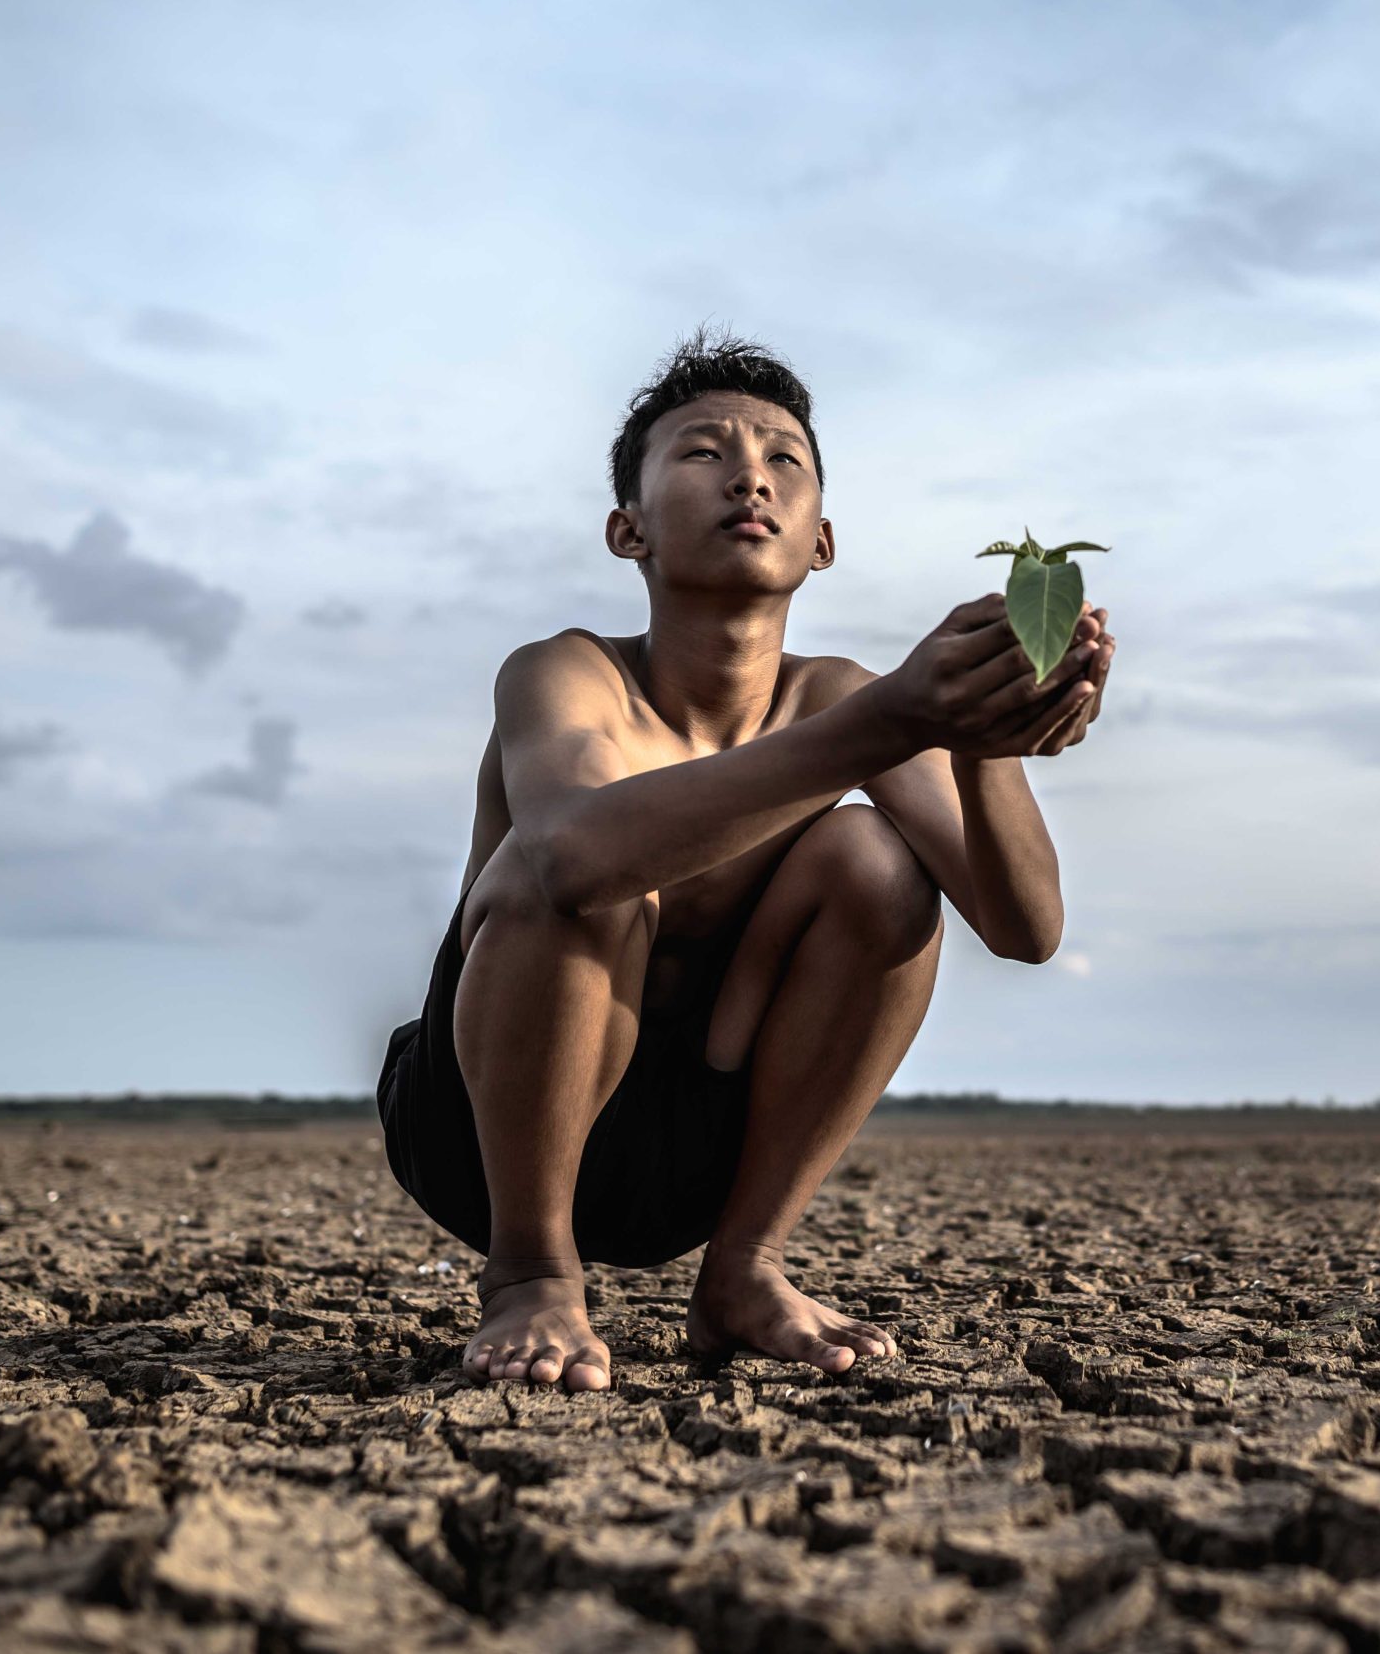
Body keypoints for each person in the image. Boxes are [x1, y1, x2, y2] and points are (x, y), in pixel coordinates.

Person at [375, 328, 1116, 1392]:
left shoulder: (845, 698)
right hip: (482, 1130)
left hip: (696, 1150)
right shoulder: (567, 674)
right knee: (582, 868)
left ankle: (743, 1267)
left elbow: (1027, 928)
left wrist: (982, 746)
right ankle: (532, 1271)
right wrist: (893, 721)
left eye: (783, 459)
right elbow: (569, 858)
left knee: (876, 857)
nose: (749, 477)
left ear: (820, 541)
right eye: (702, 454)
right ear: (626, 528)